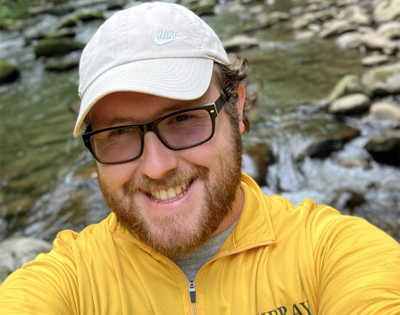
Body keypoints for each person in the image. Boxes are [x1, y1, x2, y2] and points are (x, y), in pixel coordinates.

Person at [1, 2, 399, 314]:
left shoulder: (328, 253)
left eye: (183, 119)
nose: (157, 167)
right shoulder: (71, 280)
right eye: (117, 133)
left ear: (236, 109)